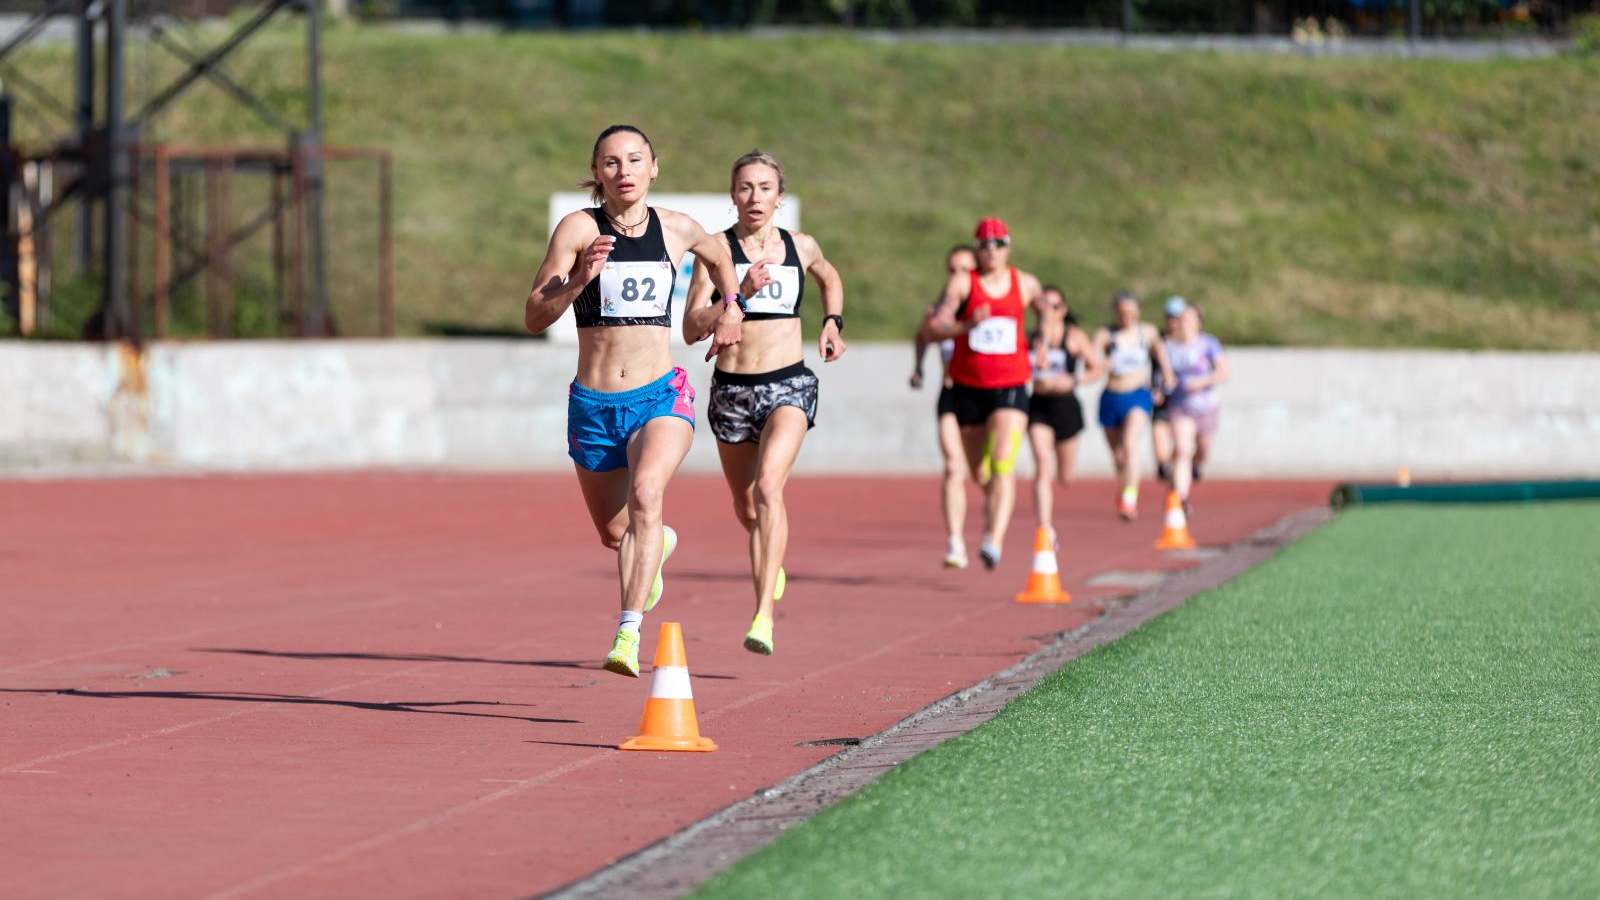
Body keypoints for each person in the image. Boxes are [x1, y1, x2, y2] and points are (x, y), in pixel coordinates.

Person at [523, 124, 773, 678]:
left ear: (654, 167)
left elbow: (719, 256)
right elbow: (534, 315)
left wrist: (733, 306)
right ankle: (656, 544)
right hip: (593, 403)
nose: (624, 171)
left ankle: (627, 633)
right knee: (618, 534)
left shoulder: (678, 229)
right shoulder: (578, 229)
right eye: (611, 162)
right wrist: (578, 281)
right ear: (596, 173)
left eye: (635, 160)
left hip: (660, 395)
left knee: (646, 490)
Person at [683, 150, 845, 656]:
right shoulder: (716, 252)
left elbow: (829, 278)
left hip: (789, 384)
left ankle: (763, 617)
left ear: (780, 195)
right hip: (732, 390)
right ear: (733, 194)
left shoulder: (801, 245)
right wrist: (738, 296)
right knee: (747, 505)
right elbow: (691, 327)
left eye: (765, 188)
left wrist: (832, 322)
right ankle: (769, 553)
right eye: (746, 187)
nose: (755, 197)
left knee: (771, 487)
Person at [920, 218, 1043, 570]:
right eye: (985, 245)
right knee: (978, 472)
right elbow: (935, 325)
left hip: (1011, 385)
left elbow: (1047, 313)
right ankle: (987, 519)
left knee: (1004, 459)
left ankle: (994, 539)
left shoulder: (1025, 283)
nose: (992, 251)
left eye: (999, 244)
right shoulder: (963, 283)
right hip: (967, 387)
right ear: (977, 249)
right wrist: (966, 325)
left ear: (1008, 247)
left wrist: (1046, 340)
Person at [911, 245, 978, 568]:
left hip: (985, 396)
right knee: (953, 466)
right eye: (952, 270)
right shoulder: (937, 312)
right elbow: (923, 335)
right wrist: (919, 366)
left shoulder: (985, 310)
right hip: (951, 393)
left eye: (965, 270)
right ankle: (955, 542)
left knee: (981, 474)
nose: (958, 276)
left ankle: (993, 530)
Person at [1026, 286, 1105, 537]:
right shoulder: (1029, 337)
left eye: (1055, 306)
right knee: (1042, 464)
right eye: (1044, 305)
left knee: (1066, 477)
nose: (1049, 311)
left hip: (1066, 406)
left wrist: (1075, 380)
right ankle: (1044, 526)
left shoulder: (1074, 337)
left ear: (1063, 310)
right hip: (1038, 405)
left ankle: (1049, 514)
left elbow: (1096, 367)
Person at [1093, 291, 1175, 522]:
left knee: (1130, 446)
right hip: (1111, 396)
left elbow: (1163, 361)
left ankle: (1130, 498)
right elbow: (1091, 361)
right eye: (1121, 311)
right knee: (1119, 456)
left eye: (1130, 311)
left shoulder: (1146, 333)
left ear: (1137, 311)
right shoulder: (1106, 335)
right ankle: (1124, 488)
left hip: (1138, 395)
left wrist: (1165, 382)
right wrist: (1102, 365)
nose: (1126, 316)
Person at [1162, 300, 1229, 510]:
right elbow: (1161, 374)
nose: (1184, 323)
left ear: (1198, 322)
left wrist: (1201, 381)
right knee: (1182, 450)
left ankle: (1197, 465)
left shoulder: (1208, 344)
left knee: (1202, 450)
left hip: (1206, 407)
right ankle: (1181, 498)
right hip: (1180, 407)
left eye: (1189, 318)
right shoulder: (1168, 347)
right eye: (1181, 319)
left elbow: (1223, 372)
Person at [1151, 295, 1185, 483]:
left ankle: (1178, 494)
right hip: (1162, 401)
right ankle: (1174, 480)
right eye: (1170, 317)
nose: (1174, 322)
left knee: (1182, 450)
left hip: (1183, 402)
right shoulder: (1158, 342)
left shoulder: (1192, 344)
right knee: (1162, 460)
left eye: (1178, 318)